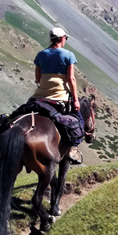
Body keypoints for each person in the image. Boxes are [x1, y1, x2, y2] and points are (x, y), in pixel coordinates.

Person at [32, 27, 84, 164]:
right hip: (60, 96)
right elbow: (71, 79)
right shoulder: (68, 55)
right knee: (79, 121)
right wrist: (76, 101)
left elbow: (37, 79)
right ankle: (73, 149)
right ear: (62, 39)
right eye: (65, 38)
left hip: (39, 95)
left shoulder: (41, 55)